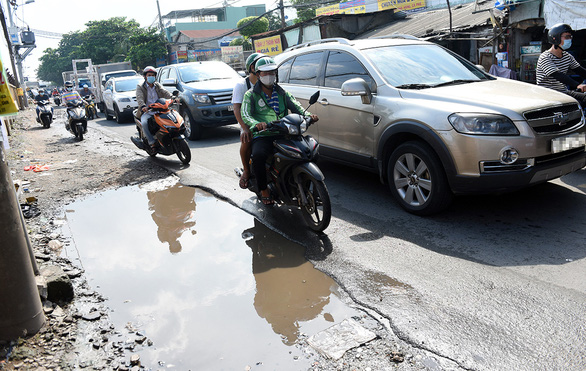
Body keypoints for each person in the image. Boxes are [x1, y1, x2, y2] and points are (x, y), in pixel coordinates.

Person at [241, 57, 318, 205]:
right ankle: (264, 190)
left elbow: (297, 107)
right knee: (258, 156)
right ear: (258, 74)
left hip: (285, 132)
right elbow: (245, 114)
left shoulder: (283, 93)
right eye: (265, 73)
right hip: (264, 135)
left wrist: (308, 116)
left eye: (272, 72)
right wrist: (257, 124)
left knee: (310, 150)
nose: (269, 75)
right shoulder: (250, 95)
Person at [232, 52, 265, 189]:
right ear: (252, 68)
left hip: (266, 120)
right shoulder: (241, 85)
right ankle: (246, 169)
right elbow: (237, 108)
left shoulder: (268, 82)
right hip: (248, 121)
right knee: (247, 139)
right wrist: (245, 127)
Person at [536, 23, 586, 107]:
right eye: (566, 37)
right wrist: (577, 85)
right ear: (555, 39)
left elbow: (580, 71)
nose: (569, 40)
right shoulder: (545, 57)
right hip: (547, 95)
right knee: (576, 105)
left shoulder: (567, 56)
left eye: (570, 37)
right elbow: (558, 75)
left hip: (563, 92)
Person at [136, 66, 173, 147]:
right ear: (145, 76)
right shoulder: (140, 87)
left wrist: (172, 97)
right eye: (149, 75)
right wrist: (143, 106)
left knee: (172, 118)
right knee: (144, 123)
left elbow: (165, 92)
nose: (151, 77)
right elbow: (139, 98)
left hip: (160, 110)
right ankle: (152, 142)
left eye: (153, 75)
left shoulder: (157, 85)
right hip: (148, 111)